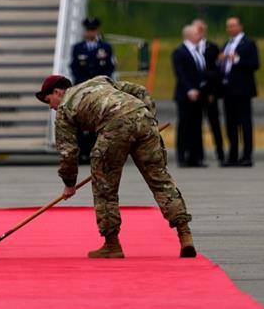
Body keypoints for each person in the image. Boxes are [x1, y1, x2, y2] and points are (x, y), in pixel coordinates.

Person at [35, 74, 196, 258]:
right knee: (160, 180)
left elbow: (67, 151)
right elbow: (140, 91)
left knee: (104, 187)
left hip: (113, 126)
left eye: (49, 100)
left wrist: (69, 183)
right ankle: (185, 235)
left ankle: (112, 245)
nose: (51, 107)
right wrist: (149, 121)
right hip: (143, 117)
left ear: (57, 92)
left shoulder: (65, 108)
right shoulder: (100, 80)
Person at [69, 17, 116, 165]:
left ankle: (96, 152)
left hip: (100, 88)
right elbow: (74, 68)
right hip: (84, 89)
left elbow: (110, 67)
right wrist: (86, 84)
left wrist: (99, 82)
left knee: (99, 120)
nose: (91, 33)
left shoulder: (105, 48)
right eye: (88, 30)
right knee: (82, 120)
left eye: (93, 30)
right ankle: (82, 152)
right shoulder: (78, 48)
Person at [218, 17, 260, 167]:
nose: (230, 29)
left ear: (240, 26)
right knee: (230, 124)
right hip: (228, 90)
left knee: (245, 123)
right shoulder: (226, 44)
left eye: (233, 26)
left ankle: (247, 155)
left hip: (243, 90)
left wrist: (237, 60)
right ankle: (233, 155)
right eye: (228, 26)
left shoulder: (248, 44)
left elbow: (255, 64)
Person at [171, 25, 206, 167]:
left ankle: (195, 156)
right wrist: (190, 89)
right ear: (189, 35)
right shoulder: (180, 52)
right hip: (186, 95)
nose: (200, 35)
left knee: (196, 125)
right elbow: (181, 74)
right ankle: (182, 155)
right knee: (185, 125)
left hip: (198, 95)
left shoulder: (197, 51)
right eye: (197, 33)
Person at [193, 19, 225, 165]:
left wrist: (213, 91)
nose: (198, 32)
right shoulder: (190, 48)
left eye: (201, 29)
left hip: (209, 92)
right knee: (196, 125)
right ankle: (198, 154)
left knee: (215, 124)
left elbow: (216, 71)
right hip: (195, 93)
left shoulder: (212, 47)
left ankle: (220, 153)